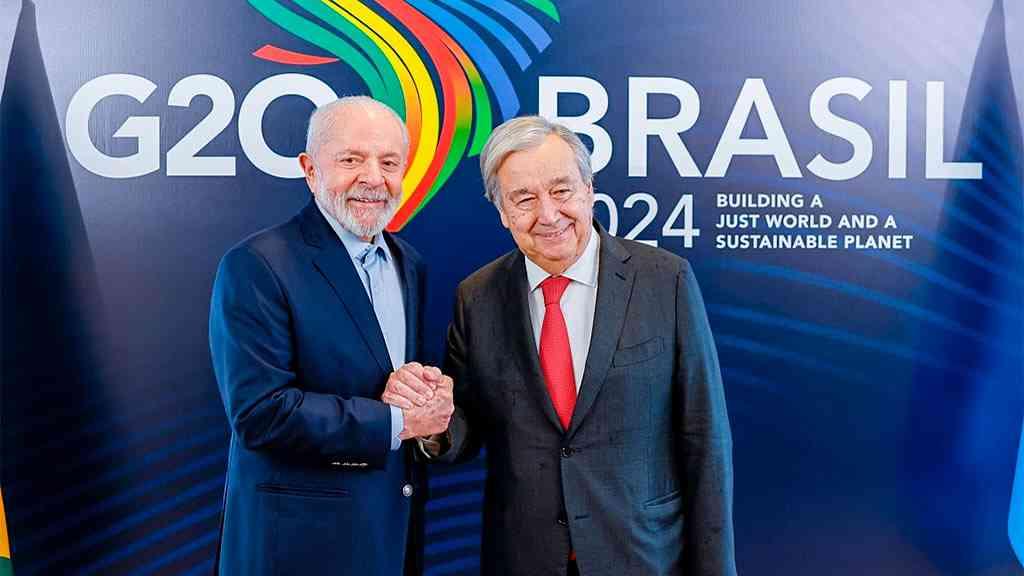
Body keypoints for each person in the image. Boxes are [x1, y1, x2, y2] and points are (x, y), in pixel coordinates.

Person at [391, 116, 736, 575]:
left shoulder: (664, 279)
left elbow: (704, 437)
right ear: (502, 212)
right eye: (524, 199)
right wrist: (432, 421)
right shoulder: (477, 296)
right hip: (524, 559)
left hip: (642, 556)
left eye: (561, 190)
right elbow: (466, 429)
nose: (549, 214)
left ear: (589, 190)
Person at [209, 96, 453, 576]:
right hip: (295, 550)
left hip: (389, 540)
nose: (373, 178)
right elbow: (261, 413)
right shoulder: (256, 265)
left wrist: (430, 403)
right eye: (351, 159)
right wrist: (400, 420)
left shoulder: (409, 264)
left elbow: (399, 386)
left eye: (389, 163)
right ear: (309, 169)